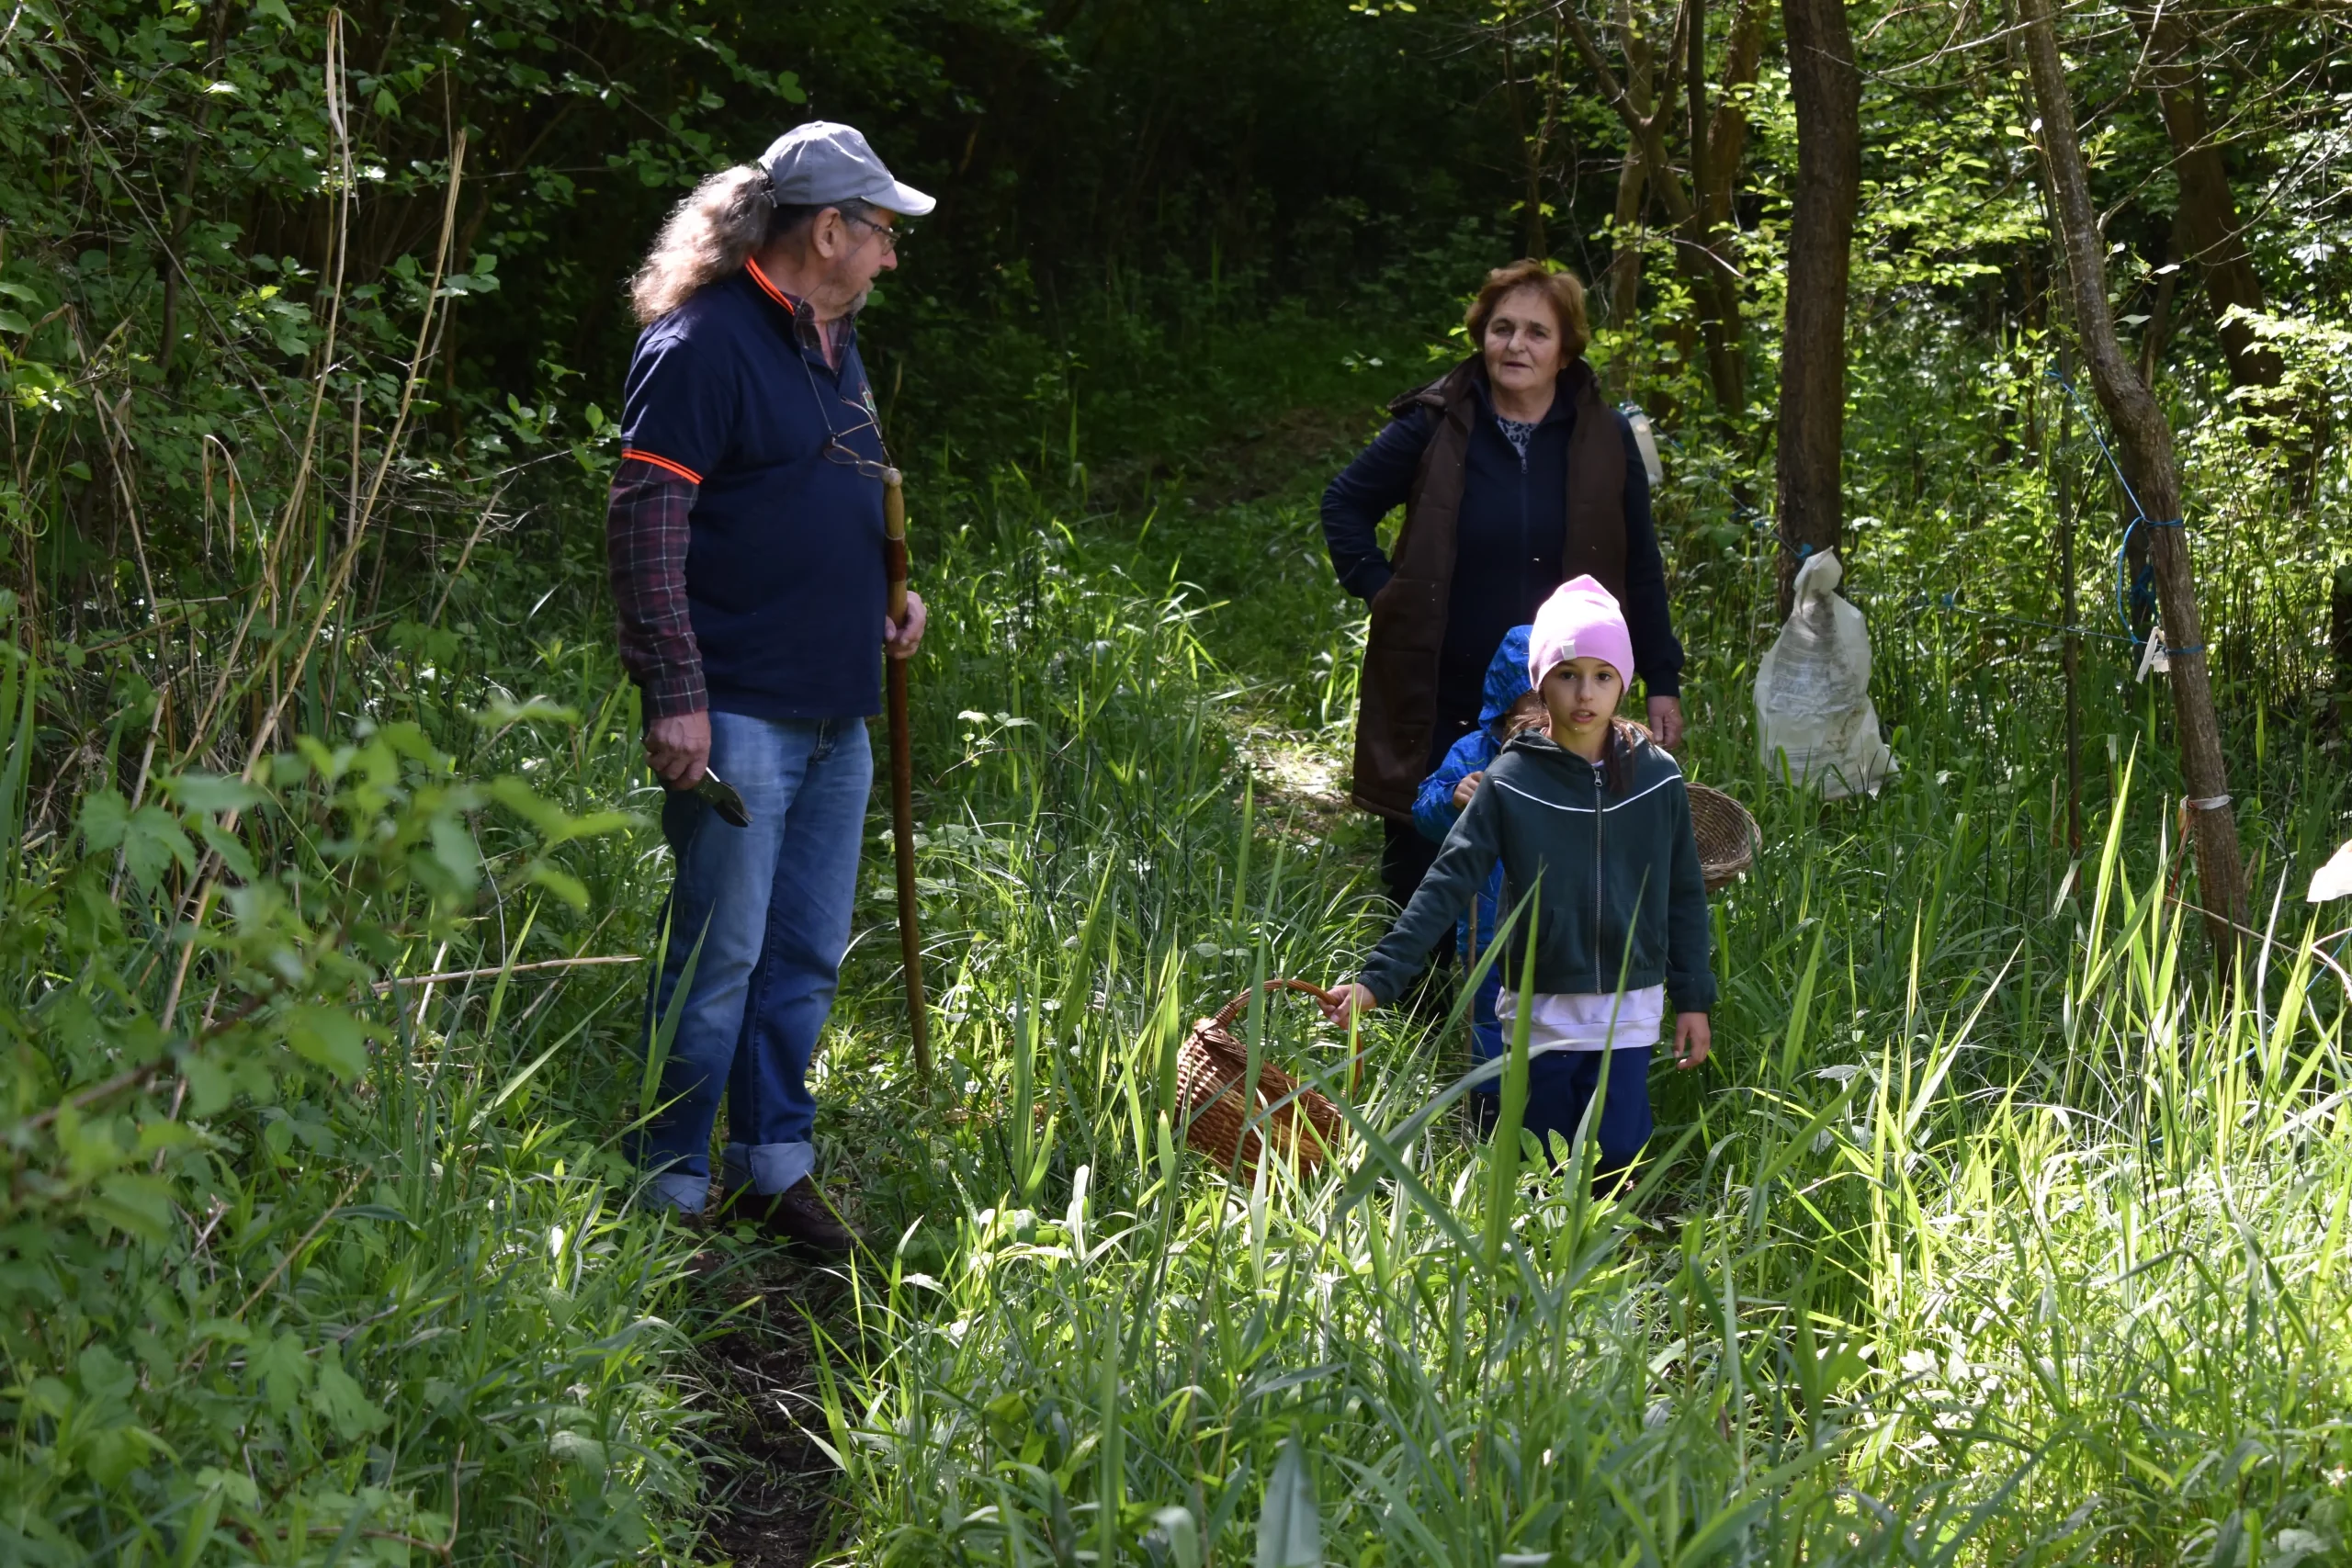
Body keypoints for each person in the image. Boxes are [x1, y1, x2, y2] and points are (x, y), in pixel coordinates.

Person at [605, 121, 933, 1253]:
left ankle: (770, 1164)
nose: (891, 258)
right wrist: (674, 691)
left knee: (799, 954)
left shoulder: (835, 347)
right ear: (827, 229)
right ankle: (667, 1182)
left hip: (837, 705)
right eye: (881, 234)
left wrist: (891, 600)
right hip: (735, 706)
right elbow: (647, 519)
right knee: (718, 956)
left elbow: (835, 501)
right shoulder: (703, 343)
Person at [1322, 577, 1716, 1186]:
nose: (1585, 693)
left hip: (1628, 1007)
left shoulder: (1656, 779)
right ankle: (1535, 1268)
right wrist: (1378, 979)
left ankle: (1605, 1268)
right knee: (1540, 1157)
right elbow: (1446, 882)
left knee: (1616, 1150)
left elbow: (1682, 893)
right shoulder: (1509, 780)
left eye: (1603, 675)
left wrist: (1693, 996)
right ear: (1539, 682)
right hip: (1540, 1006)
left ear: (1625, 682)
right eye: (1567, 673)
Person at [1322, 259, 1688, 908]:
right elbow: (1344, 503)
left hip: (1564, 688)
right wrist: (1386, 592)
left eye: (1537, 333)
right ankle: (1417, 1002)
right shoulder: (1437, 423)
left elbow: (1640, 564)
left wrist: (1662, 676)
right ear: (1481, 334)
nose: (1515, 345)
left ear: (1566, 350)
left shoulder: (1606, 438)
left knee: (1556, 852)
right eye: (1501, 328)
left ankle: (1530, 1000)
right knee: (1426, 848)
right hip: (1442, 681)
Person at [1410, 625, 1545, 1117]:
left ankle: (1545, 1119)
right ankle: (1487, 1115)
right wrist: (1453, 797)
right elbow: (1424, 811)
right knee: (1489, 1027)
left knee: (1549, 1031)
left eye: (1548, 694)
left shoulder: (1578, 756)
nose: (1539, 713)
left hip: (1557, 928)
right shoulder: (1474, 752)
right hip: (1486, 928)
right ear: (1504, 703)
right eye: (1527, 698)